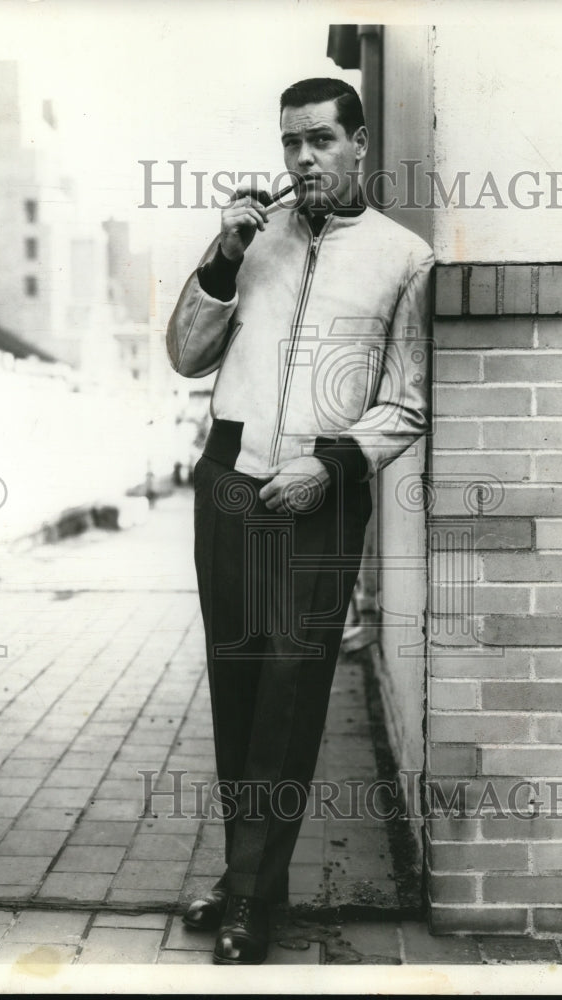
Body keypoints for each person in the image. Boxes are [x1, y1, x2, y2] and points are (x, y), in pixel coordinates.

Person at [166, 77, 434, 965]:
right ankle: (253, 880)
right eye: (290, 143)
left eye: (320, 140)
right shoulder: (255, 239)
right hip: (231, 485)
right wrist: (220, 254)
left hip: (318, 495)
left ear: (359, 144)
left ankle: (248, 898)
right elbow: (184, 354)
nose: (303, 159)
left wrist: (330, 467)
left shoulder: (402, 258)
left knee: (289, 698)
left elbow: (403, 405)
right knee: (239, 694)